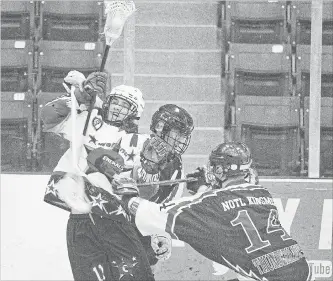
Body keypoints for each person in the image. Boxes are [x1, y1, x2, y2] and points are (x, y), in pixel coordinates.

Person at [120, 141, 313, 281]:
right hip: (301, 270)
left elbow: (157, 214)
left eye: (216, 167)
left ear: (221, 171)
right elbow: (224, 202)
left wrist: (127, 197)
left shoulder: (211, 205)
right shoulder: (263, 195)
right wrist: (204, 188)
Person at [42, 70, 155, 280]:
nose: (118, 108)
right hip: (81, 216)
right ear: (107, 102)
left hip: (115, 217)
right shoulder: (89, 117)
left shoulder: (139, 142)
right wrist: (79, 97)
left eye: (125, 106)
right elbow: (48, 117)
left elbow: (146, 185)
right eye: (116, 102)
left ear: (135, 113)